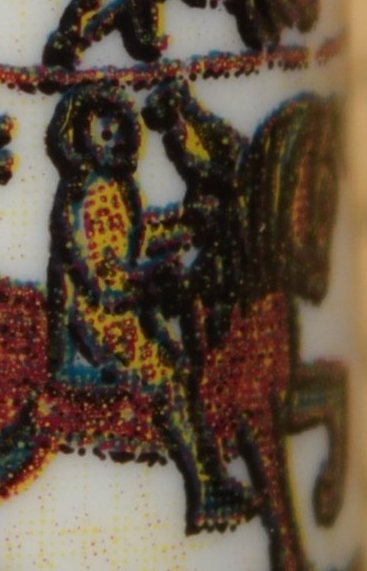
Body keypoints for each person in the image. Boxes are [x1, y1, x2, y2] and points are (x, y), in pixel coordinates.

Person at [45, 79, 254, 534]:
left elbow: (135, 240)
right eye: (102, 133)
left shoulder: (115, 186)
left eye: (118, 129)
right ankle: (206, 490)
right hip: (100, 320)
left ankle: (212, 479)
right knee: (173, 380)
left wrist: (180, 229)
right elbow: (106, 278)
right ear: (81, 141)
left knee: (185, 360)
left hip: (125, 309)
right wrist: (153, 277)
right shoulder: (92, 193)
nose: (114, 139)